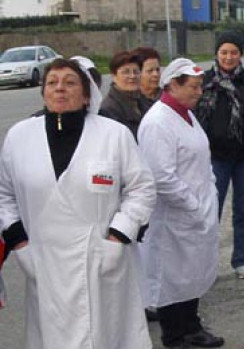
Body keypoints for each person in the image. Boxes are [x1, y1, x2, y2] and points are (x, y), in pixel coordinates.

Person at [0, 58, 156, 348]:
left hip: (101, 259)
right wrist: (19, 242)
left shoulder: (113, 135)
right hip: (44, 264)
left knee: (105, 334)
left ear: (86, 95)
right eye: (52, 82)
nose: (60, 88)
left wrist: (119, 235)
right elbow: (4, 195)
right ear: (43, 91)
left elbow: (142, 189)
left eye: (70, 82)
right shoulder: (19, 138)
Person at [137, 58, 224, 348]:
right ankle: (174, 335)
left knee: (192, 272)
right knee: (171, 277)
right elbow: (161, 176)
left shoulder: (186, 113)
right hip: (173, 217)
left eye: (200, 86)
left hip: (196, 210)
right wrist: (193, 205)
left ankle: (192, 326)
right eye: (194, 87)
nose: (199, 92)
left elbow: (202, 157)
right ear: (172, 85)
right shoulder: (158, 122)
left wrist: (209, 192)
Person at [195, 33, 244, 279]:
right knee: (211, 212)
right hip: (215, 158)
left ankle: (241, 260)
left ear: (241, 55)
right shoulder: (204, 82)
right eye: (224, 52)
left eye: (234, 52)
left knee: (243, 211)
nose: (229, 57)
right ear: (216, 54)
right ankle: (207, 265)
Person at [100, 50, 151, 137]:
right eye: (126, 72)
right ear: (113, 76)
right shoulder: (108, 110)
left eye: (136, 72)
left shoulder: (145, 102)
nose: (132, 76)